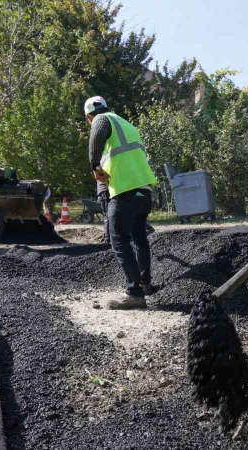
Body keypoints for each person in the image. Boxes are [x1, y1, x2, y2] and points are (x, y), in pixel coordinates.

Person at [85, 96, 159, 309]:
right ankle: (145, 283)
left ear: (89, 117)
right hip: (144, 190)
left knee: (119, 239)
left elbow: (97, 135)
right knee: (139, 237)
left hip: (124, 190)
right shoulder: (127, 124)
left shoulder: (101, 120)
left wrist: (95, 166)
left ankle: (134, 293)